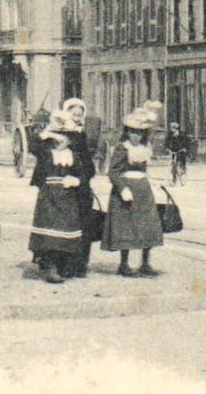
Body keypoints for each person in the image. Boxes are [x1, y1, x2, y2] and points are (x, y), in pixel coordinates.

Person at [104, 104, 165, 278]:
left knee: (148, 225)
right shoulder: (122, 148)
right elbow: (113, 172)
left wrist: (152, 182)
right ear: (127, 132)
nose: (135, 136)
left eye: (139, 133)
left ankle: (145, 263)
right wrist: (122, 188)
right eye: (132, 132)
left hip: (143, 191)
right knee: (126, 227)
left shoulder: (144, 149)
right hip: (127, 193)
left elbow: (143, 170)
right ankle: (123, 264)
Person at [28, 113, 86, 284]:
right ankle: (50, 266)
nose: (61, 141)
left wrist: (76, 180)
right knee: (50, 228)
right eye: (58, 137)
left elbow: (83, 173)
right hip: (49, 195)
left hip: (68, 196)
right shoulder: (46, 153)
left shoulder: (73, 156)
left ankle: (63, 264)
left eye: (65, 137)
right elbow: (33, 146)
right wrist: (45, 134)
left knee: (66, 228)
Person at [59, 98, 97, 278]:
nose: (76, 117)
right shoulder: (60, 133)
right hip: (65, 185)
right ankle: (65, 263)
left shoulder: (83, 134)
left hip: (82, 185)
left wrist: (84, 178)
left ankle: (81, 263)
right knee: (67, 225)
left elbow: (88, 163)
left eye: (79, 115)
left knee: (84, 225)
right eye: (73, 114)